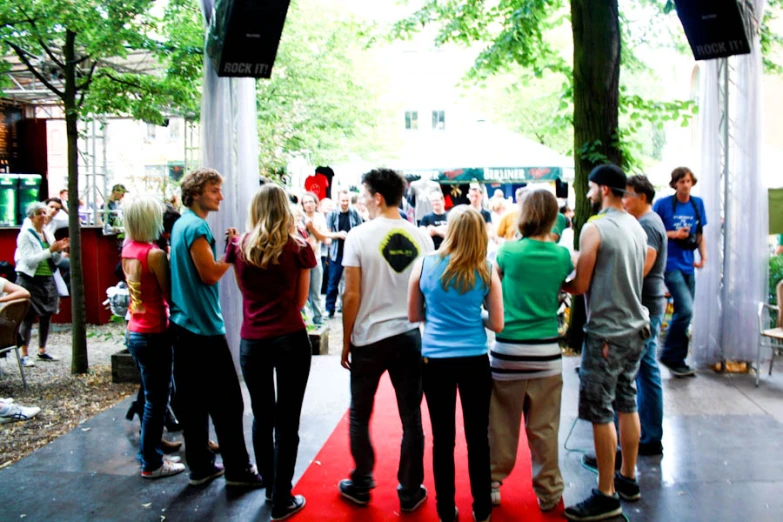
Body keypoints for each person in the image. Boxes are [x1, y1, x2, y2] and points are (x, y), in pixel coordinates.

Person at [338, 168, 433, 511]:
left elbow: (351, 295)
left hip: (369, 339)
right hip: (409, 337)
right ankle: (410, 490)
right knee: (411, 417)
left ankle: (361, 482)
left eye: (363, 194)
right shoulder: (421, 237)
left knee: (360, 414)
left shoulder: (358, 237)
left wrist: (347, 340)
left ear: (378, 197)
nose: (361, 201)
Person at [563, 164, 649, 522]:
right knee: (627, 401)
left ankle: (606, 495)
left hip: (606, 333)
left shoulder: (594, 228)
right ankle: (627, 477)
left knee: (600, 411)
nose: (587, 195)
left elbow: (580, 285)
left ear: (603, 189)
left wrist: (560, 282)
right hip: (636, 328)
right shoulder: (636, 226)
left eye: (590, 188)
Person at [408, 205, 504, 522]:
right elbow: (498, 324)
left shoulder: (425, 265)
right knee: (478, 438)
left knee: (443, 439)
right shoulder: (486, 269)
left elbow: (414, 315)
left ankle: (446, 510)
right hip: (475, 359)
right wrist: (473, 314)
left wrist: (440, 316)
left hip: (435, 360)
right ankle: (482, 510)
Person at [226, 184, 315, 520]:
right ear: (285, 209)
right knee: (287, 421)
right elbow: (300, 301)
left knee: (262, 417)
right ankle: (282, 497)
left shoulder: (239, 247)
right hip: (290, 337)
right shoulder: (299, 248)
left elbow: (245, 293)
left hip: (252, 341)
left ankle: (268, 488)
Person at [169, 168, 262, 488]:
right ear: (195, 193)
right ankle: (238, 470)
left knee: (193, 402)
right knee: (228, 403)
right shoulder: (196, 226)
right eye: (213, 190)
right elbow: (209, 274)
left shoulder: (182, 223)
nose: (220, 196)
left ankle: (200, 465)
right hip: (203, 328)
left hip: (183, 325)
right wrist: (233, 253)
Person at [488, 189, 573, 512]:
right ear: (552, 218)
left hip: (508, 352)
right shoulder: (562, 256)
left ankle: (493, 483)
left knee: (500, 424)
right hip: (547, 356)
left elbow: (492, 288)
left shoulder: (508, 253)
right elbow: (558, 229)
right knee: (545, 428)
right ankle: (549, 492)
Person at [121, 195, 186, 480]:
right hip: (154, 332)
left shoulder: (128, 247)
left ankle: (151, 454)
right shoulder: (154, 254)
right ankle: (152, 462)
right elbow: (171, 294)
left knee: (153, 397)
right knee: (156, 400)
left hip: (135, 329)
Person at [622, 175, 668, 456]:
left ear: (641, 196)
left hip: (647, 307)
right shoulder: (647, 223)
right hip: (648, 306)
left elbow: (644, 267)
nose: (624, 201)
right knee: (645, 369)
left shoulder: (648, 225)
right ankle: (648, 434)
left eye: (627, 195)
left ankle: (650, 436)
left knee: (645, 369)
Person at [653, 167, 707, 377]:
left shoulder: (697, 204)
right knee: (686, 310)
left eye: (689, 181)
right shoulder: (663, 204)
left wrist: (703, 256)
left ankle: (678, 359)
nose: (686, 185)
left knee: (683, 313)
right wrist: (674, 234)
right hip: (669, 263)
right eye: (682, 181)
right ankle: (668, 352)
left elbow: (700, 233)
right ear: (674, 183)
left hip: (688, 263)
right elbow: (652, 231)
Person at [14, 202, 69, 367]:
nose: (44, 216)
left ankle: (42, 349)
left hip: (47, 278)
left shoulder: (47, 232)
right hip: (30, 279)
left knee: (48, 314)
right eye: (40, 213)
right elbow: (28, 261)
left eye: (45, 213)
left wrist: (59, 250)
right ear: (31, 216)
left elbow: (55, 260)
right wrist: (50, 250)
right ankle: (24, 353)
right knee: (28, 316)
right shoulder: (25, 235)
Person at [325, 190, 362, 318]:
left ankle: (348, 307)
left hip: (351, 252)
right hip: (337, 253)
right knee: (333, 282)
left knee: (351, 282)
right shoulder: (332, 214)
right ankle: (329, 308)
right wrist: (338, 235)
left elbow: (360, 230)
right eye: (343, 201)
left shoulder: (355, 213)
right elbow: (327, 233)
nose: (345, 203)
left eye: (347, 201)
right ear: (338, 201)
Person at [301, 192, 330, 325]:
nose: (308, 205)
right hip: (301, 260)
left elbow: (324, 238)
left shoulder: (320, 217)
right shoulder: (299, 218)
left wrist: (311, 228)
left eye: (311, 201)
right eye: (305, 202)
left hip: (316, 257)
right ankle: (304, 321)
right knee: (303, 293)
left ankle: (318, 318)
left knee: (316, 292)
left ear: (316, 203)